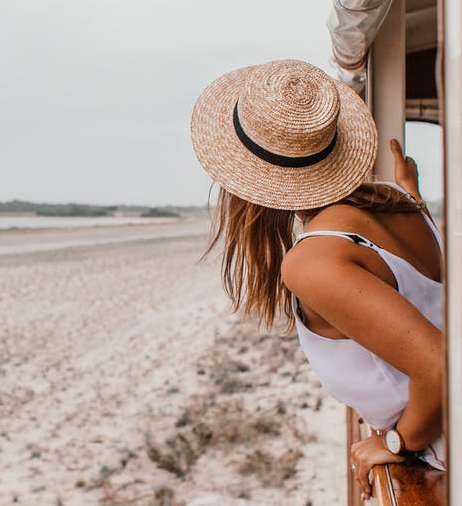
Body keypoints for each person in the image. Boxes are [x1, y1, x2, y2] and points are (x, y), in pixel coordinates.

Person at [189, 59, 445, 500]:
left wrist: (395, 443)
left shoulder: (313, 260)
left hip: (449, 454)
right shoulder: (400, 203)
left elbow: (439, 367)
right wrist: (411, 189)